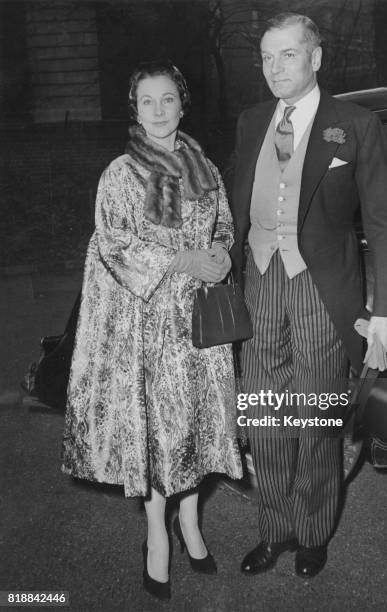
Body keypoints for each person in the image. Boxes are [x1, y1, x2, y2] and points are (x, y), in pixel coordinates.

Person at [227, 13, 387, 578]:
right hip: (257, 280)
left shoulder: (355, 123)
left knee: (317, 414)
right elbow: (231, 204)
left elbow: (385, 224)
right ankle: (274, 529)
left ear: (316, 57)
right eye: (266, 57)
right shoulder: (251, 120)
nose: (275, 68)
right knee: (264, 415)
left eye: (288, 54)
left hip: (319, 287)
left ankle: (313, 531)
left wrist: (384, 313)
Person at [61, 61, 242, 600]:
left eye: (168, 100)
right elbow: (111, 245)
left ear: (182, 106)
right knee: (162, 431)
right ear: (135, 110)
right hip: (150, 327)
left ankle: (191, 522)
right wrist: (182, 259)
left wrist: (221, 254)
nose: (159, 110)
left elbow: (226, 226)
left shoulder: (204, 167)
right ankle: (155, 534)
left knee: (201, 427)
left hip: (201, 326)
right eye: (148, 101)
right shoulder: (120, 174)